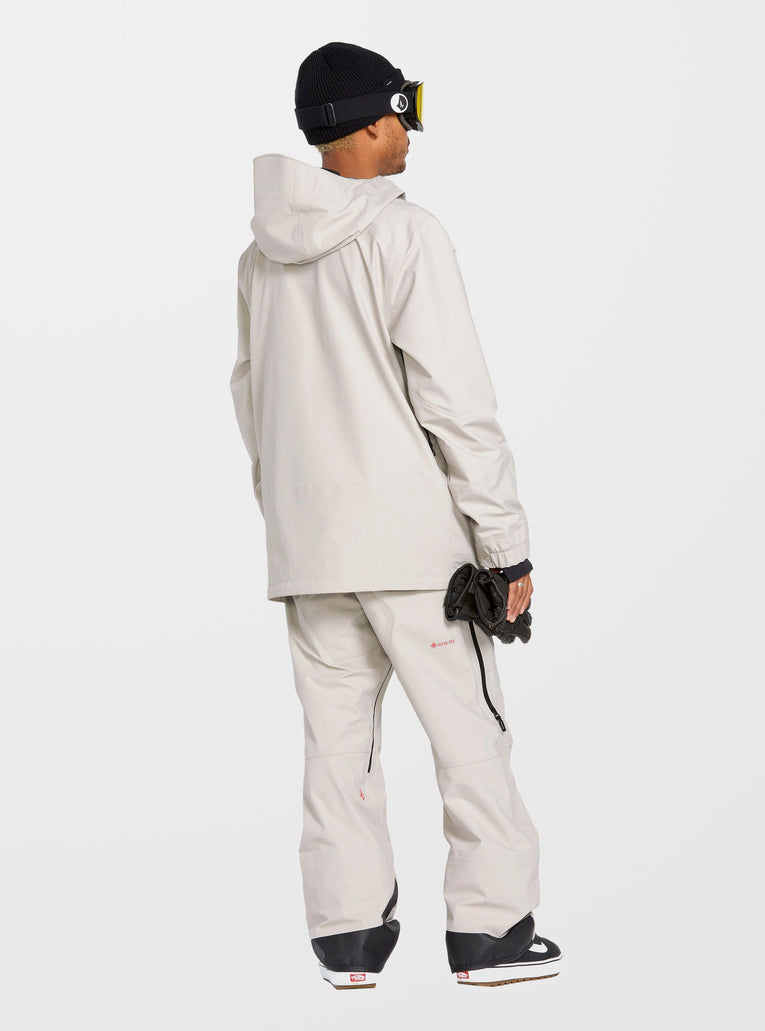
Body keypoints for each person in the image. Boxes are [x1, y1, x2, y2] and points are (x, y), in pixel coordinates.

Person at [229, 40, 562, 989]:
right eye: (402, 109)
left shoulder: (258, 256)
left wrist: (288, 519)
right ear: (370, 122)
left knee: (337, 746)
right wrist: (504, 547)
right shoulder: (404, 234)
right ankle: (490, 934)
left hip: (309, 549)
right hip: (417, 551)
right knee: (470, 737)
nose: (409, 129)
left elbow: (251, 400)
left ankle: (347, 940)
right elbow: (456, 400)